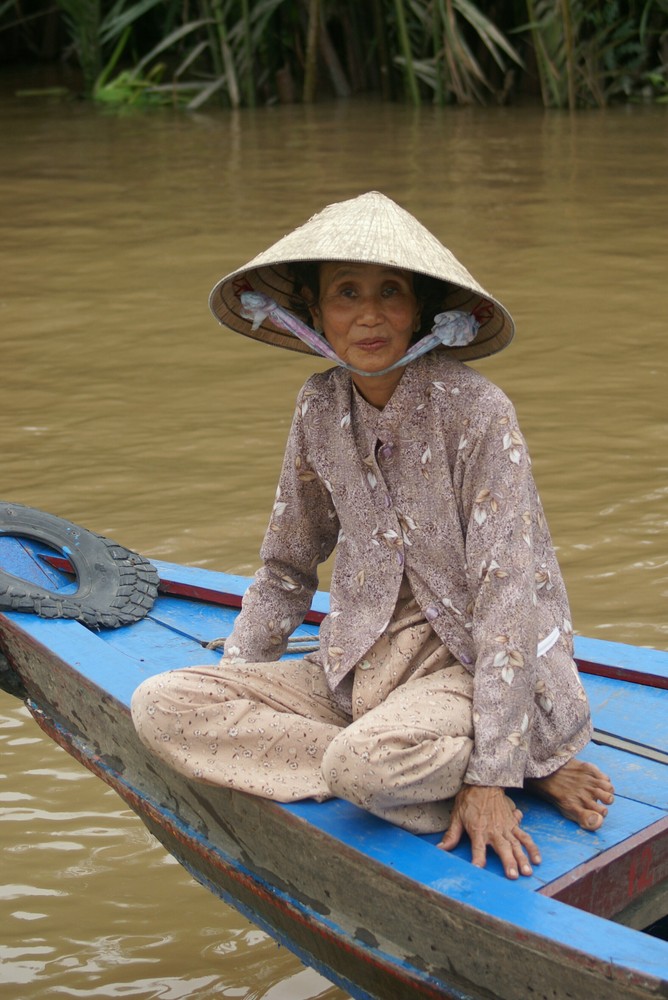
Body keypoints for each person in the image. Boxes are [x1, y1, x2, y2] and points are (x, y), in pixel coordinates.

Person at [131, 191, 614, 881]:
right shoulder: (318, 405)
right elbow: (286, 566)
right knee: (161, 706)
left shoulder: (478, 411)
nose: (369, 314)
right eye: (346, 293)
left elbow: (509, 597)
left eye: (391, 292)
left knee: (362, 765)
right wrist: (238, 677)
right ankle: (403, 756)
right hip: (355, 670)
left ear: (420, 310)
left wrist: (494, 777)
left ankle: (507, 758)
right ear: (313, 311)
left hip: (466, 668)